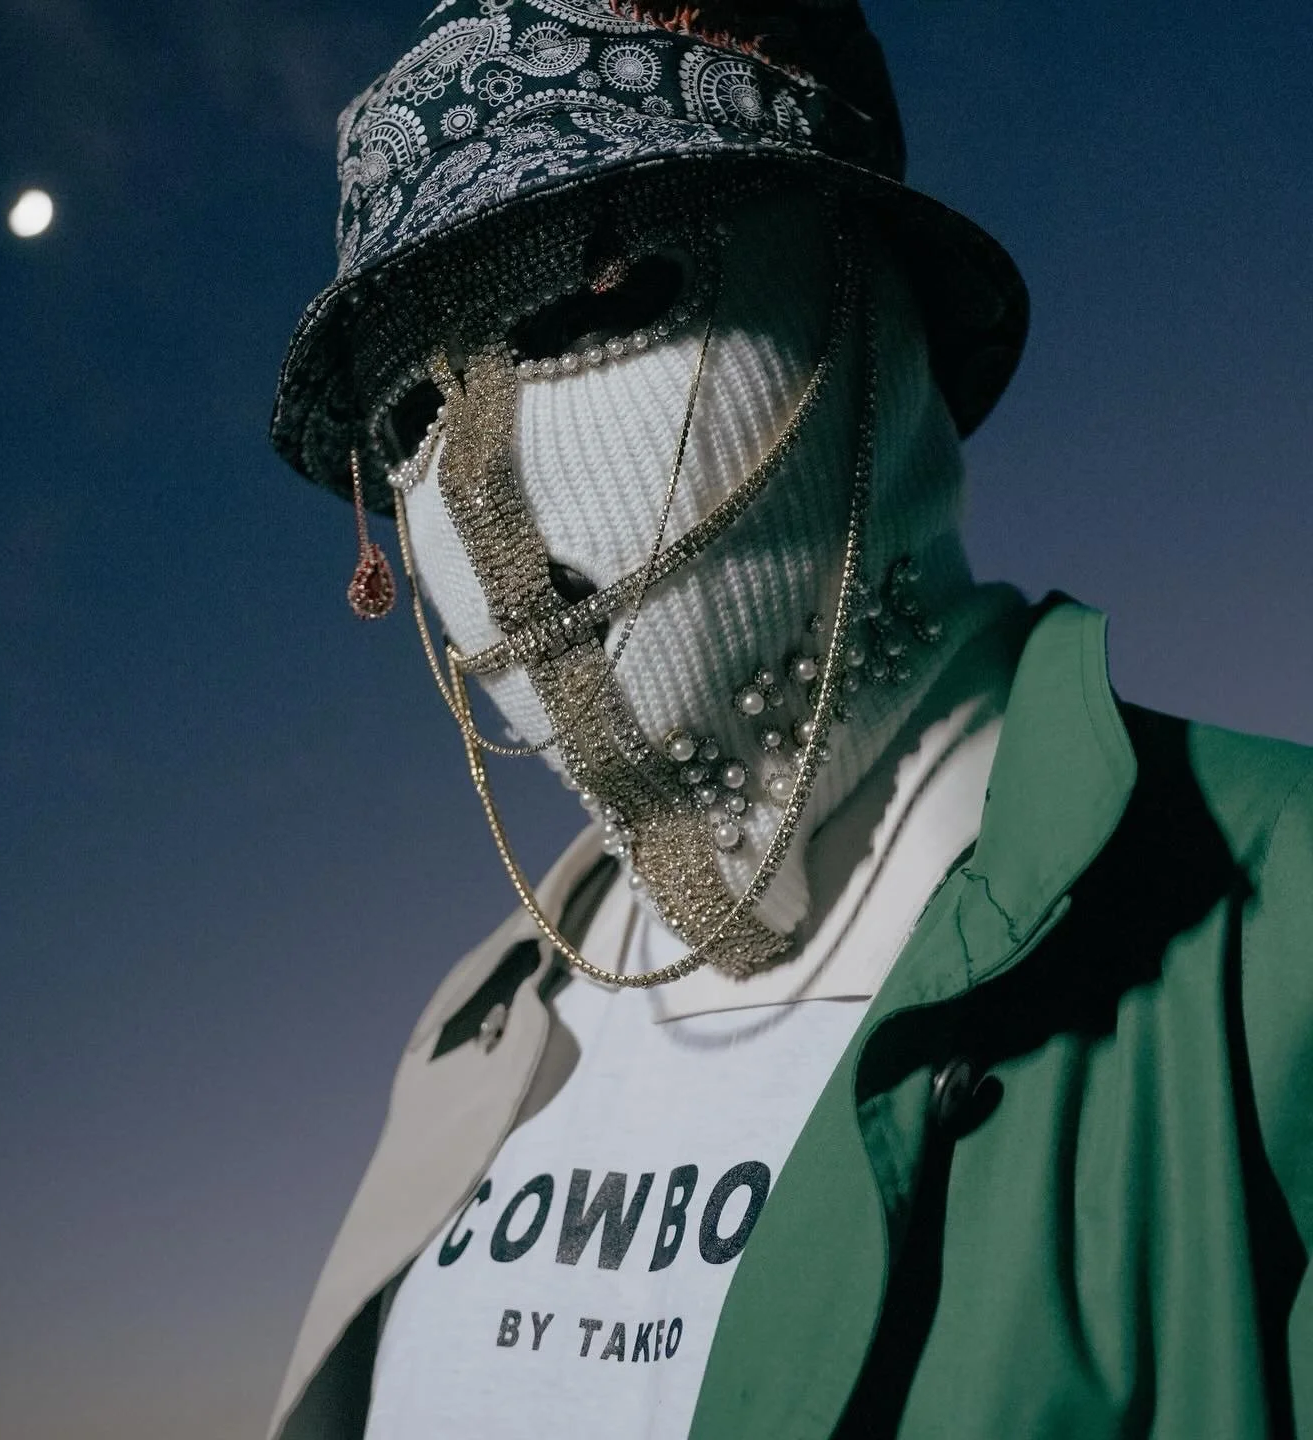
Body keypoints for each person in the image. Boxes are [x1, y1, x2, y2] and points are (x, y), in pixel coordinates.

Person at [265, 2, 1313, 1436]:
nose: (485, 508)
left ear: (869, 307)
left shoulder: (1277, 924)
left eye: (605, 298)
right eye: (407, 419)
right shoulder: (485, 1017)